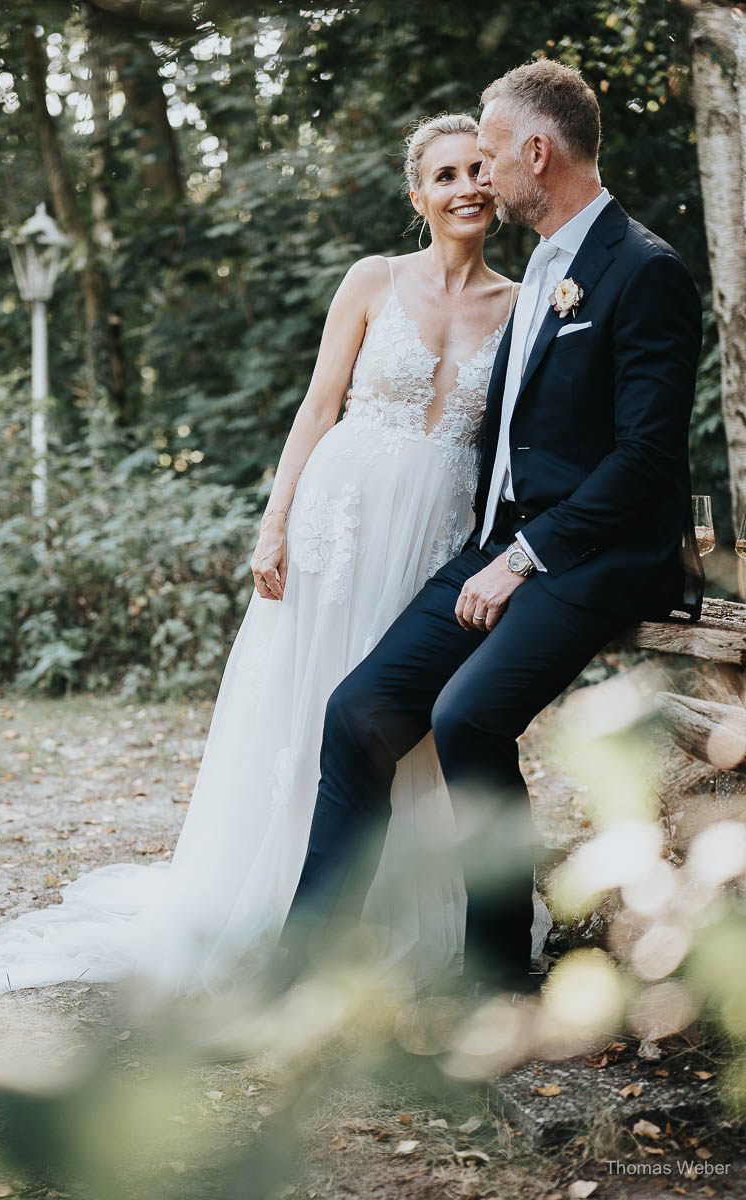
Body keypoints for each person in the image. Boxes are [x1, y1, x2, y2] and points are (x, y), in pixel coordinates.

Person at [0, 113, 519, 998]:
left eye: (478, 171)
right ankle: (278, 905)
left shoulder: (521, 303)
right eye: (446, 175)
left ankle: (402, 911)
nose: (467, 189)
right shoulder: (372, 281)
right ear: (419, 196)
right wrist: (275, 522)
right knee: (313, 703)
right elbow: (315, 409)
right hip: (339, 523)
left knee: (398, 716)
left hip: (437, 535)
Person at [280, 59, 703, 998]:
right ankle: (301, 966)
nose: (482, 170)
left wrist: (524, 556)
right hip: (504, 544)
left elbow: (644, 461)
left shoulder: (645, 271)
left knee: (466, 717)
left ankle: (494, 975)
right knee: (357, 714)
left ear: (537, 152)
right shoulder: (539, 266)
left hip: (596, 552)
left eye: (493, 150)